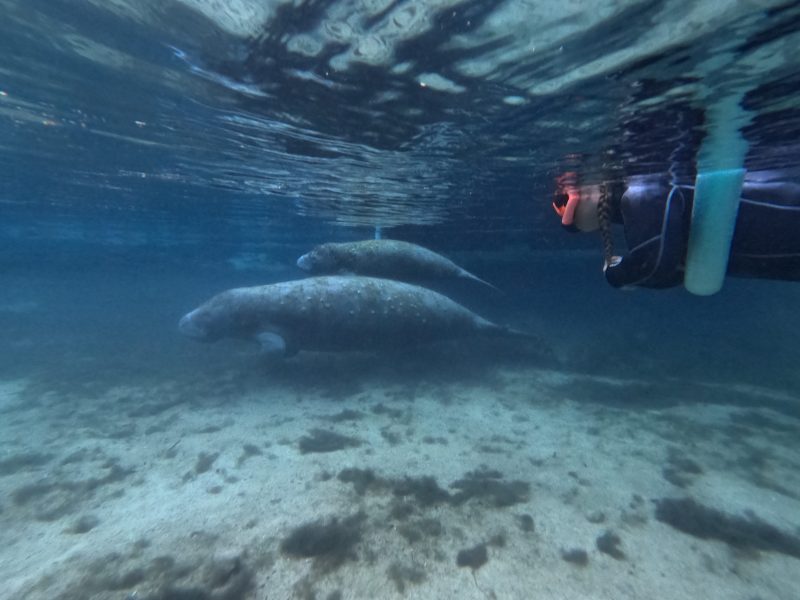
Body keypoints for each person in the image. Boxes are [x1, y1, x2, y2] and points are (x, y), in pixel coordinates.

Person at [552, 172, 800, 289]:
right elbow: (670, 270)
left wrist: (617, 274)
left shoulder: (639, 195)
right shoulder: (636, 204)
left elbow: (655, 265)